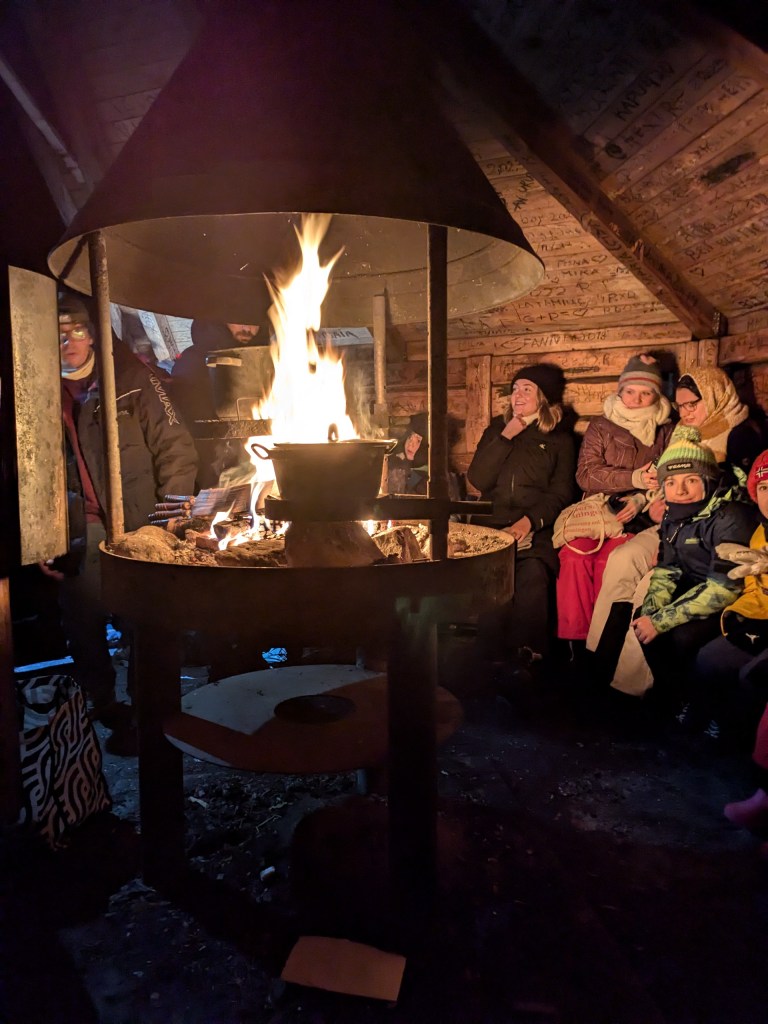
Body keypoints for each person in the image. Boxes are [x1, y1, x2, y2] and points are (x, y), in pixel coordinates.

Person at [44, 293, 197, 754]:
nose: (69, 343)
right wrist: (40, 537)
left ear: (92, 334)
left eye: (78, 331)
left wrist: (170, 519)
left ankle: (146, 710)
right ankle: (103, 703)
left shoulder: (131, 381)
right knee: (83, 616)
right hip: (79, 521)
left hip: (138, 518)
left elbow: (176, 447)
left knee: (142, 619)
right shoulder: (37, 391)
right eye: (59, 333)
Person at [587, 366, 752, 694]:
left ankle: (631, 683)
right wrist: (649, 500)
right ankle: (599, 658)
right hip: (671, 520)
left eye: (694, 404)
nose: (686, 412)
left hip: (706, 529)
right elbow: (667, 480)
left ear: (715, 396)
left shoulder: (742, 432)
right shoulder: (680, 433)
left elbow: (741, 495)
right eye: (681, 406)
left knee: (649, 582)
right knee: (623, 558)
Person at [629, 426, 756, 717]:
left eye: (691, 480)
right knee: (642, 623)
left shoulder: (730, 515)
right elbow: (667, 568)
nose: (680, 491)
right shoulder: (675, 514)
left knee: (680, 637)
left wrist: (660, 621)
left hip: (732, 600)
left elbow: (723, 590)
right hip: (699, 586)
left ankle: (704, 708)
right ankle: (676, 697)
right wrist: (651, 611)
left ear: (708, 481)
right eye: (671, 483)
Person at [556, 354, 673, 646]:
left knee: (609, 561)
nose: (635, 399)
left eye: (645, 393)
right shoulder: (602, 425)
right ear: (620, 392)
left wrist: (641, 499)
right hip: (598, 514)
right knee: (574, 556)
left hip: (638, 517)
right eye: (630, 391)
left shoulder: (666, 430)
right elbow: (586, 474)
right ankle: (576, 642)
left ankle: (602, 643)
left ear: (656, 397)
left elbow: (666, 475)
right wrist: (632, 479)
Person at [466, 364, 575, 667]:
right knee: (493, 581)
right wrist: (505, 437)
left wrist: (529, 522)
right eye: (515, 389)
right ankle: (488, 660)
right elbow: (478, 479)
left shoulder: (559, 440)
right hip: (492, 526)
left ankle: (529, 657)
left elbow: (560, 492)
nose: (518, 395)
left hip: (534, 527)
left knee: (532, 576)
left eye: (527, 389)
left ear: (543, 397)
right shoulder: (495, 432)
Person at [689, 449, 768, 748]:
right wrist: (738, 613)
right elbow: (752, 587)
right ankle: (717, 723)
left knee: (753, 675)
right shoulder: (760, 531)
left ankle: (745, 744)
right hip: (761, 618)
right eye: (763, 488)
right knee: (709, 658)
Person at [171, 319, 265, 426]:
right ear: (221, 319)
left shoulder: (274, 356)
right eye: (240, 320)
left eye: (254, 321)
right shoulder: (192, 361)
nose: (247, 329)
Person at [386, 413, 429, 495]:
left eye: (418, 440)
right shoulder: (395, 457)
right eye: (410, 437)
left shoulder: (429, 474)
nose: (410, 444)